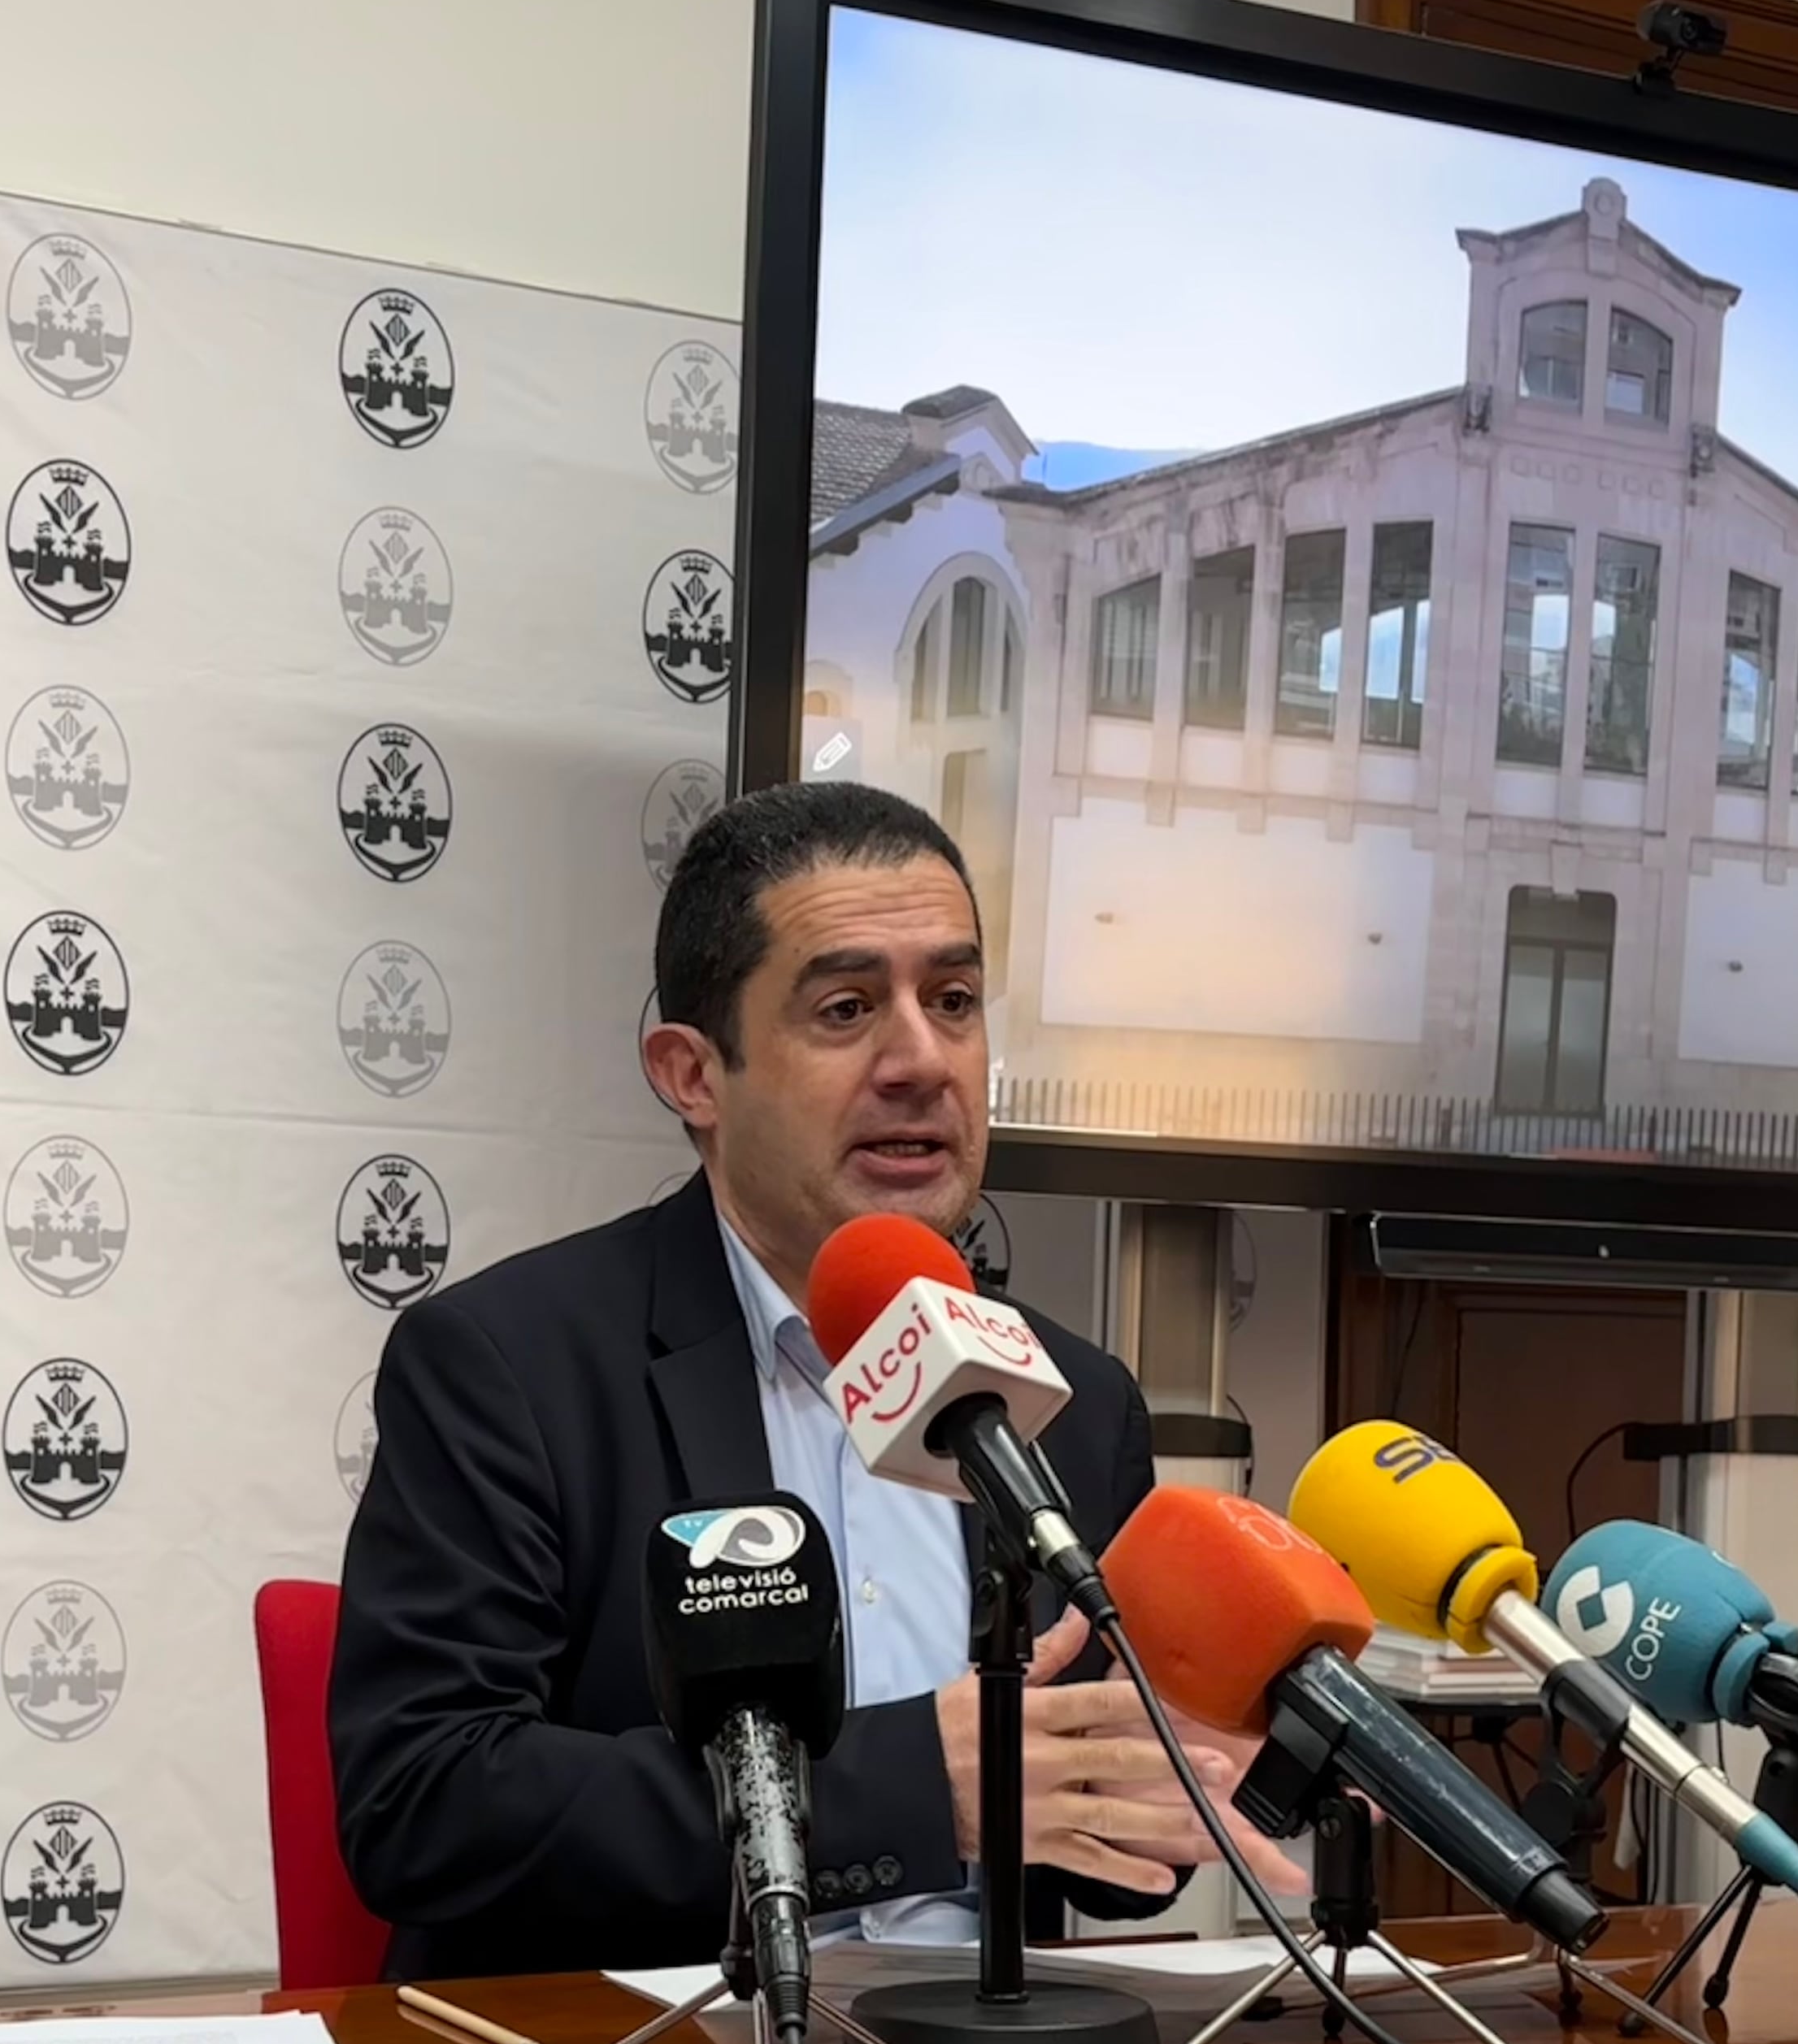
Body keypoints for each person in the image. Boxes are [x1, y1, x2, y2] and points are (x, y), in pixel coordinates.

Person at [330, 779, 1263, 1981]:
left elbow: (1103, 1857)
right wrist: (914, 1791)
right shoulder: (510, 1365)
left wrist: (1190, 1759)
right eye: (846, 1007)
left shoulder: (1068, 1398)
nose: (922, 1060)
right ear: (692, 1074)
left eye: (957, 1000)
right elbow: (428, 1801)